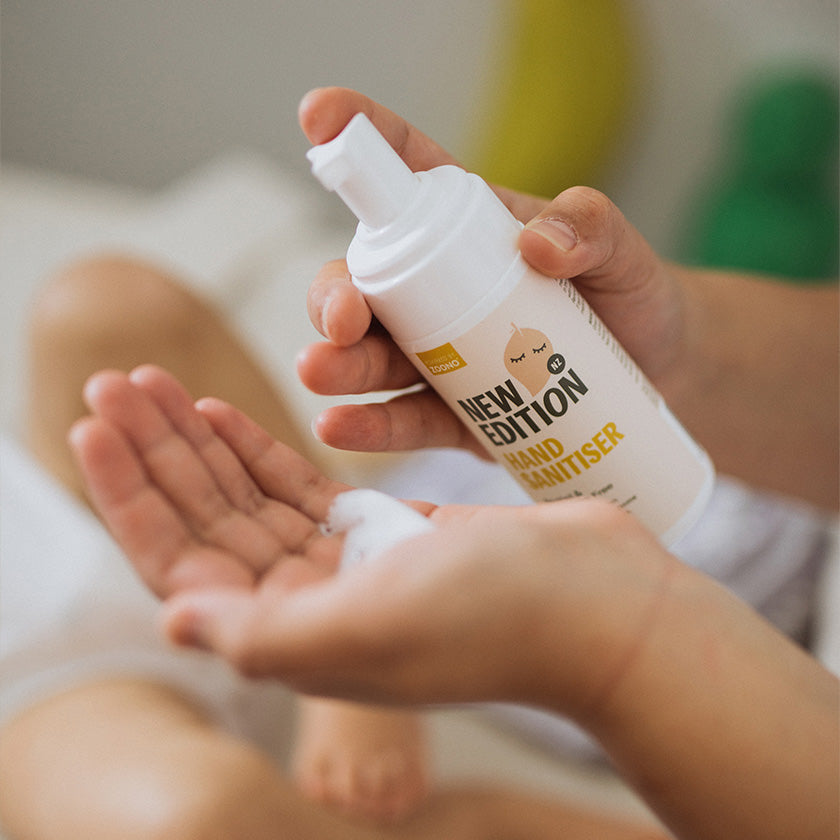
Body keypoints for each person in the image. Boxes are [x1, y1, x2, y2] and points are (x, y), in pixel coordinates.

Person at [66, 88, 839, 840]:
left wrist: (616, 644)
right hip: (657, 459)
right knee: (101, 309)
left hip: (721, 580)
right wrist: (681, 347)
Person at [0, 257, 663, 840]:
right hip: (40, 694)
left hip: (67, 503)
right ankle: (460, 823)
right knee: (203, 821)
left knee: (104, 300)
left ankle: (341, 601)